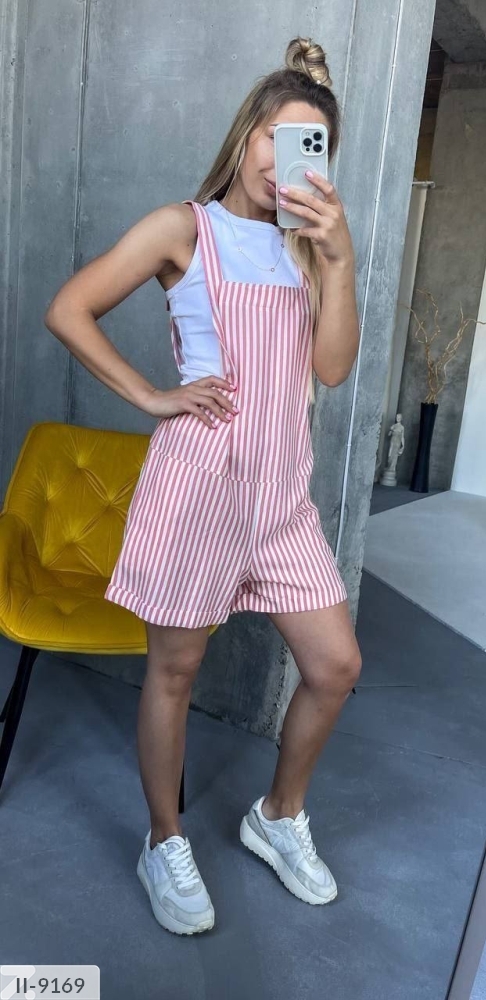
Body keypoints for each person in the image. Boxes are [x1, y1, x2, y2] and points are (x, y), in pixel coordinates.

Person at [44, 35, 362, 936]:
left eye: (304, 146)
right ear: (246, 133)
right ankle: (164, 839)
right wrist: (153, 396)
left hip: (280, 498)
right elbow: (69, 308)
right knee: (175, 671)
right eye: (272, 137)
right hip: (200, 487)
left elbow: (331, 369)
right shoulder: (183, 229)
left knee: (335, 666)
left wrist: (339, 261)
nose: (279, 160)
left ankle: (278, 816)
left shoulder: (309, 249)